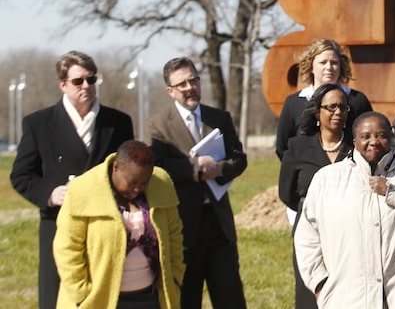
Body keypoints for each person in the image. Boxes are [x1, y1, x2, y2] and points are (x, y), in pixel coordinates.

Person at [10, 50, 134, 309]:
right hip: (59, 225)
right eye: (78, 81)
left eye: (91, 80)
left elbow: (128, 174)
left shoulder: (118, 122)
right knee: (58, 298)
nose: (86, 86)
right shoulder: (38, 123)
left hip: (105, 226)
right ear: (63, 85)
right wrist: (50, 194)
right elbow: (21, 175)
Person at [294, 112, 395, 309]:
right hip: (344, 299)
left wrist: (392, 191)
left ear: (391, 139)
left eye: (380, 135)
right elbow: (307, 237)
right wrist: (319, 283)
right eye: (365, 136)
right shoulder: (327, 179)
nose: (373, 142)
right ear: (354, 141)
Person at [147, 57, 248, 309]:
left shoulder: (220, 118)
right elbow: (158, 168)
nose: (189, 87)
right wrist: (196, 170)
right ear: (170, 91)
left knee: (230, 298)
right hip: (183, 227)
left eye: (193, 80)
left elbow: (239, 159)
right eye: (181, 84)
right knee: (186, 300)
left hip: (219, 226)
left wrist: (219, 169)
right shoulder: (157, 125)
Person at [53, 140, 184, 309]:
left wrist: (175, 275)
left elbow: (174, 233)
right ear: (116, 167)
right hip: (98, 300)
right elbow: (67, 247)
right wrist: (81, 292)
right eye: (132, 182)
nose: (138, 188)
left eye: (144, 183)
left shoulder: (161, 183)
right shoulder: (83, 189)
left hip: (150, 298)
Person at [279, 83, 352, 309]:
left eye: (342, 107)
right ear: (317, 112)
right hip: (310, 231)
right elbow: (287, 193)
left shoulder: (356, 148)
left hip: (349, 233)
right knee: (310, 292)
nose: (338, 112)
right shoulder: (297, 146)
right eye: (331, 107)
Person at [274, 38, 373, 160]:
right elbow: (282, 147)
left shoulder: (357, 101)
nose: (329, 67)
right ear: (311, 67)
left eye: (334, 62)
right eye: (323, 62)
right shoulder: (293, 103)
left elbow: (370, 139)